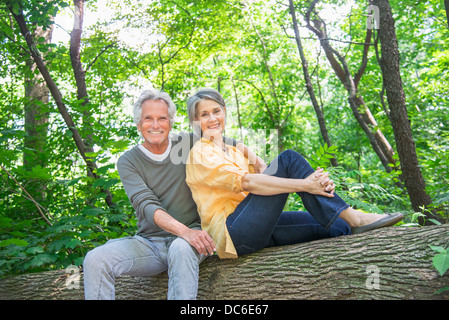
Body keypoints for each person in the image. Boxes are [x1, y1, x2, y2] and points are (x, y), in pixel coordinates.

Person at [185, 88, 404, 259]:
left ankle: (348, 218)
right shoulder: (201, 153)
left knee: (339, 227)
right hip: (233, 233)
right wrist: (306, 185)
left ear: (224, 112)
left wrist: (317, 183)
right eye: (204, 114)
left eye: (216, 111)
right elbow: (250, 183)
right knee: (288, 158)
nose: (212, 118)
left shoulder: (233, 150)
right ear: (196, 122)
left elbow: (266, 174)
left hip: (260, 226)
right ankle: (354, 215)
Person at [82, 89, 247, 299]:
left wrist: (256, 159)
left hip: (194, 237)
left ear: (170, 121)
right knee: (95, 258)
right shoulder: (128, 161)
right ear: (139, 124)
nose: (155, 125)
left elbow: (225, 142)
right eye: (148, 119)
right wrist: (183, 231)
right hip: (150, 244)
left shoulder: (188, 143)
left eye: (162, 118)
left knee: (180, 247)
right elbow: (147, 205)